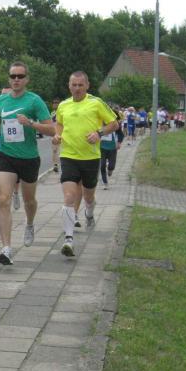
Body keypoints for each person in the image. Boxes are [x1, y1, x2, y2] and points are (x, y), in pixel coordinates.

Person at [0, 61, 54, 265]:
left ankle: (30, 223)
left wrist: (31, 123)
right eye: (13, 76)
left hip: (28, 157)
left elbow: (51, 129)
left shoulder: (34, 101)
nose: (16, 79)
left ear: (26, 79)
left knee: (29, 201)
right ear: (9, 79)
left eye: (20, 76)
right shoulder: (1, 99)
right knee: (3, 199)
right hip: (5, 154)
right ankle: (6, 248)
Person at [52, 71, 118, 256]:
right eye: (74, 85)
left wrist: (99, 133)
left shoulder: (96, 103)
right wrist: (57, 135)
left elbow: (114, 123)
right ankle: (68, 239)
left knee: (89, 196)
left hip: (90, 157)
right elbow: (59, 124)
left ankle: (89, 212)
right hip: (68, 156)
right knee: (69, 197)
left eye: (80, 85)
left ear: (87, 86)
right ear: (69, 86)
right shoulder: (63, 105)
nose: (77, 88)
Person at [0, 89, 21, 216]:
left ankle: (16, 194)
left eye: (7, 94)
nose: (4, 96)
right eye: (2, 94)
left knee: (16, 177)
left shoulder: (19, 105)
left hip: (16, 148)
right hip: (0, 147)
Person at [100, 108, 124, 189]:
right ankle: (105, 183)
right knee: (102, 165)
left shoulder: (115, 124)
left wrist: (119, 142)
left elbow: (121, 134)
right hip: (101, 147)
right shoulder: (99, 123)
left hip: (112, 147)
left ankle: (110, 170)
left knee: (111, 166)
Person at [50, 97, 61, 172]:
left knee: (61, 151)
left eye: (56, 103)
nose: (55, 104)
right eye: (54, 103)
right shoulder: (52, 113)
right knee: (54, 150)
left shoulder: (62, 112)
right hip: (54, 134)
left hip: (62, 134)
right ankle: (55, 165)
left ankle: (62, 164)